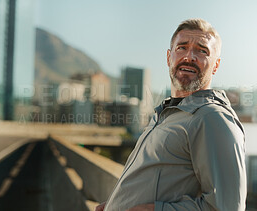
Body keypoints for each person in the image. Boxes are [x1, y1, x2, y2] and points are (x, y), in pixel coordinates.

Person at [96, 18, 247, 211]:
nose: (189, 56)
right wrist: (116, 204)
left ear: (215, 66)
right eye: (181, 48)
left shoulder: (212, 118)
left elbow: (228, 207)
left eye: (202, 51)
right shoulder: (165, 114)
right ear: (169, 58)